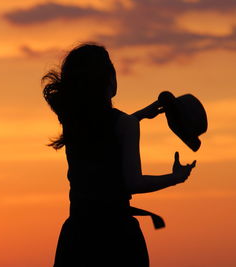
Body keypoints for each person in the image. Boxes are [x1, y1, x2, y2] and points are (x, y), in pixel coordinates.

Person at [42, 43, 196, 267]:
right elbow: (133, 183)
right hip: (116, 238)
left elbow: (102, 135)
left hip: (77, 236)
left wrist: (141, 114)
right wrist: (176, 178)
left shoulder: (73, 122)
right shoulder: (125, 125)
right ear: (108, 80)